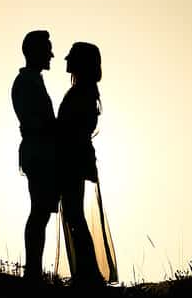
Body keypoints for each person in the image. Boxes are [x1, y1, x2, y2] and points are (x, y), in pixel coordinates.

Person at [58, 41, 106, 287]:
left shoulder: (80, 93)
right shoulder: (86, 92)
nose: (65, 62)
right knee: (74, 215)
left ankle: (88, 274)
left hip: (72, 159)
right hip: (77, 157)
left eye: (71, 58)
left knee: (74, 215)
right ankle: (87, 273)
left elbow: (71, 129)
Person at [11, 29, 57, 282]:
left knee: (40, 212)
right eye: (47, 49)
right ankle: (33, 272)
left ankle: (34, 271)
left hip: (39, 151)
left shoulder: (32, 80)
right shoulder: (27, 82)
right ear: (34, 52)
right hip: (38, 153)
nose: (51, 54)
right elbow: (38, 122)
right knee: (39, 211)